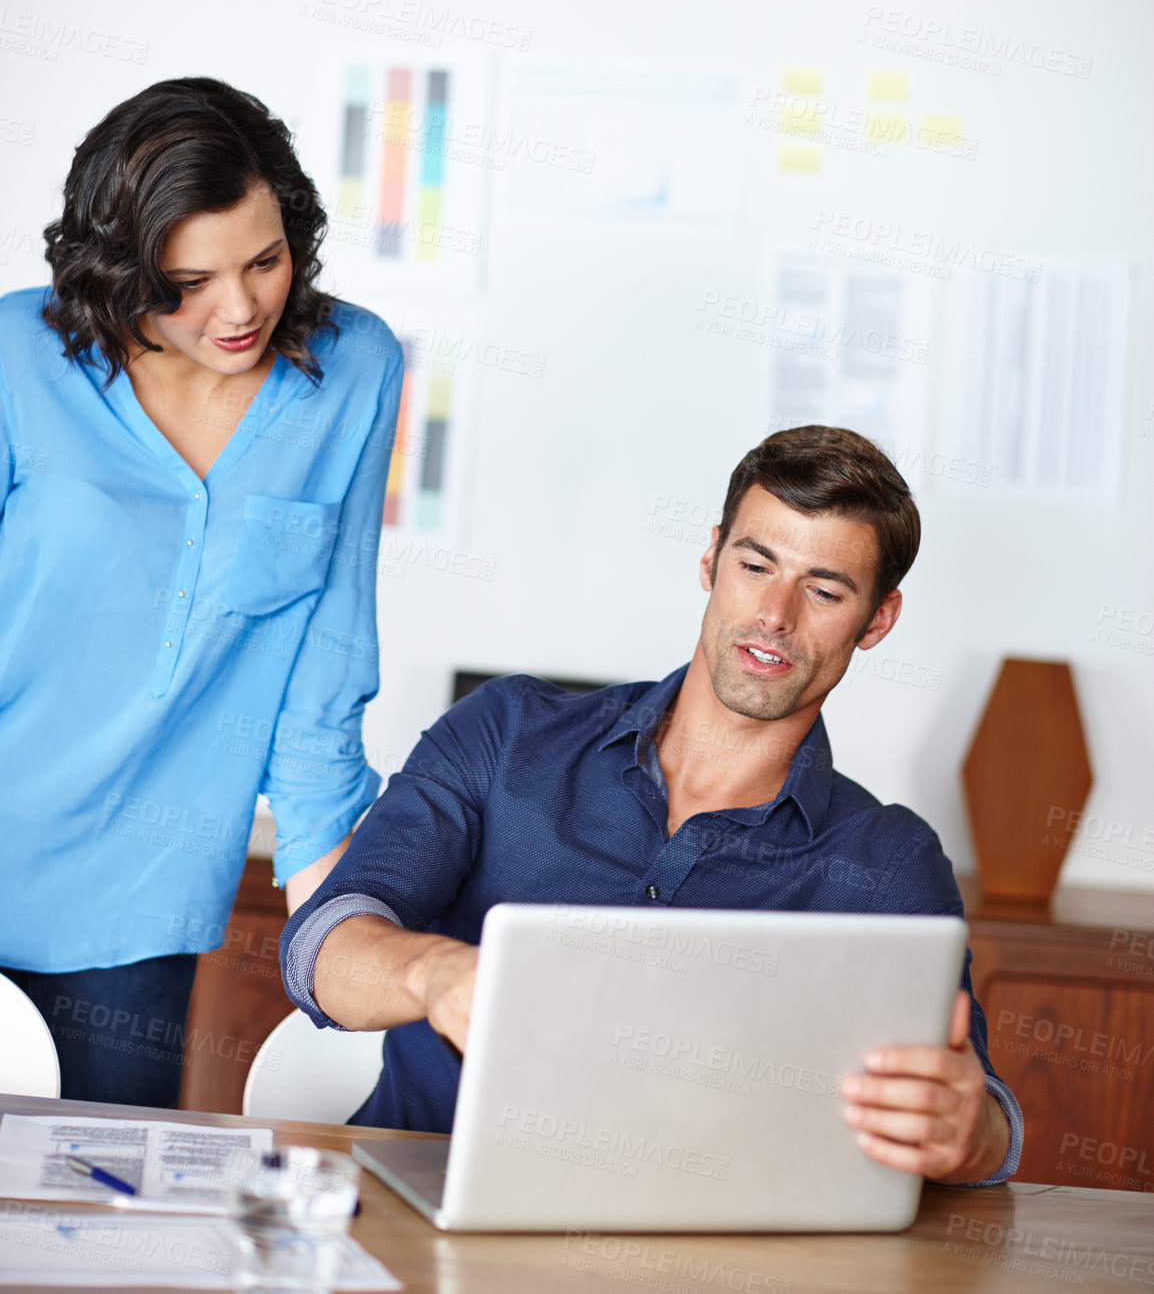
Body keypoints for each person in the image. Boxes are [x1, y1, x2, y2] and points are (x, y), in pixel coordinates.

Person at [281, 425, 1023, 1185]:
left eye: (824, 590)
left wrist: (975, 1135)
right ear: (711, 559)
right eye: (755, 564)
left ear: (877, 620)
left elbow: (977, 1108)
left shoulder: (889, 863)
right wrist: (438, 977)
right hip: (414, 1217)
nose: (776, 614)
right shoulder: (506, 734)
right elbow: (321, 950)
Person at [0, 77, 402, 1106]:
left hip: (137, 906)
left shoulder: (352, 371)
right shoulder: (15, 359)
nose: (238, 308)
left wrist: (338, 938)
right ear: (121, 266)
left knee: (91, 1230)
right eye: (189, 280)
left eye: (264, 261)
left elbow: (326, 660)